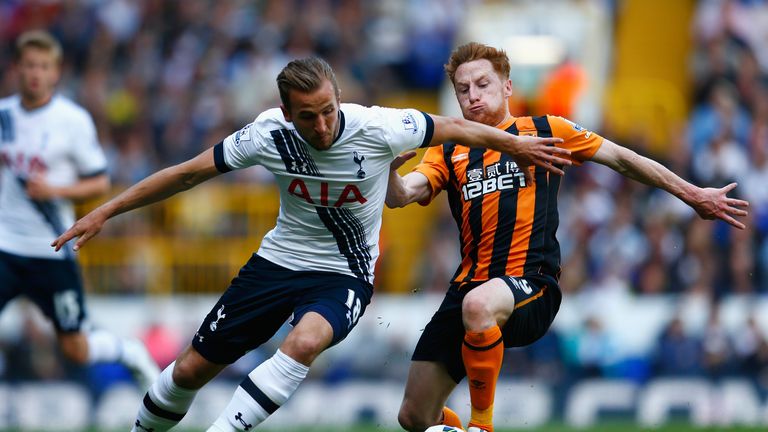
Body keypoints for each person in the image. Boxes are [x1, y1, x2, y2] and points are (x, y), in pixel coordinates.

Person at [51, 56, 570, 432]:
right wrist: (105, 210)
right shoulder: (265, 135)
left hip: (346, 274)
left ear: (339, 98)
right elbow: (186, 175)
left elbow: (458, 127)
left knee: (302, 342)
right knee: (189, 369)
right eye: (307, 116)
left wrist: (517, 142)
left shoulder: (381, 125)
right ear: (285, 110)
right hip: (276, 262)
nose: (321, 125)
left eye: (328, 110)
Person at [387, 42, 750, 432]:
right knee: (414, 416)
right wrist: (390, 169)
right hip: (468, 288)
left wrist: (693, 194)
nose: (473, 95)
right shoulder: (450, 149)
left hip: (532, 286)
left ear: (507, 87)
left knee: (478, 304)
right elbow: (401, 197)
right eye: (463, 89)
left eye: (482, 84)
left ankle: (482, 426)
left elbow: (623, 159)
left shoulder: (546, 130)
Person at [0, 30, 160, 390]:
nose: (35, 73)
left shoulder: (72, 120)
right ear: (16, 69)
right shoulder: (3, 116)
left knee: (74, 346)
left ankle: (127, 350)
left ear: (56, 72)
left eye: (43, 66)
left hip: (51, 247)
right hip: (6, 245)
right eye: (28, 65)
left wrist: (54, 189)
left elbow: (100, 181)